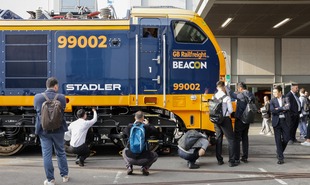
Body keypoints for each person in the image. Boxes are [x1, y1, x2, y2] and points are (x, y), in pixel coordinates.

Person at [34, 77, 69, 185]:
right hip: (58, 130)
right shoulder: (61, 97)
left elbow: (36, 110)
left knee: (47, 155)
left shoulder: (38, 97)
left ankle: (50, 179)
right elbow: (63, 110)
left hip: (44, 131)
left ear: (46, 86)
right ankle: (65, 176)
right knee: (61, 152)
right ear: (55, 86)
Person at [122, 111, 158, 176]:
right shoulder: (146, 127)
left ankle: (129, 167)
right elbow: (155, 131)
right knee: (155, 155)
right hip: (144, 159)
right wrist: (148, 124)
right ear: (143, 118)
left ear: (135, 118)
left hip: (131, 159)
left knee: (124, 151)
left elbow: (123, 133)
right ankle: (145, 168)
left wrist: (133, 125)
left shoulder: (130, 127)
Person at [226, 82, 255, 163]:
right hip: (248, 119)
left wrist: (226, 86)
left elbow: (232, 94)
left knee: (237, 138)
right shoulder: (251, 94)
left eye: (238, 89)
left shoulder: (242, 94)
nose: (238, 91)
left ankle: (237, 158)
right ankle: (245, 157)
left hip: (240, 119)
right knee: (245, 137)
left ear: (241, 88)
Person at [213, 81, 237, 167]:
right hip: (225, 119)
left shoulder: (214, 96)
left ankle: (219, 160)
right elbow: (230, 110)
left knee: (219, 139)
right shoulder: (226, 97)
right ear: (223, 87)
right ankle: (231, 161)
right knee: (231, 140)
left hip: (216, 120)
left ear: (217, 87)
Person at [270, 85, 290, 164]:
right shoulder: (272, 100)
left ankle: (279, 151)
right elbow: (272, 110)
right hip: (276, 122)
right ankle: (280, 158)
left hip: (285, 121)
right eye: (273, 92)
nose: (274, 93)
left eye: (275, 92)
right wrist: (282, 108)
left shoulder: (286, 98)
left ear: (280, 92)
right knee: (278, 140)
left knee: (286, 138)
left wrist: (278, 108)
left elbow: (288, 107)